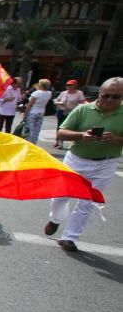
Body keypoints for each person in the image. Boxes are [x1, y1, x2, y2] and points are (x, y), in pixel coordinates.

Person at [45, 77, 123, 251]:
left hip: (105, 163)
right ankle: (55, 219)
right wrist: (81, 136)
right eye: (106, 95)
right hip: (76, 159)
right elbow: (61, 133)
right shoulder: (83, 109)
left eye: (116, 97)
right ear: (99, 94)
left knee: (88, 201)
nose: (109, 100)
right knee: (60, 196)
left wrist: (116, 139)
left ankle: (69, 237)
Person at [53, 79, 86, 149]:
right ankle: (58, 142)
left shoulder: (79, 93)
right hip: (62, 111)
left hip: (72, 112)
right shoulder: (63, 93)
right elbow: (56, 101)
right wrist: (60, 103)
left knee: (71, 128)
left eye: (70, 85)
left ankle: (72, 143)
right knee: (60, 126)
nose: (68, 86)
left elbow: (83, 102)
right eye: (67, 85)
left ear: (75, 85)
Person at [21, 78, 52, 144]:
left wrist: (25, 114)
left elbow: (30, 105)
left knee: (30, 129)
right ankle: (34, 143)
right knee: (36, 129)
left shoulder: (36, 93)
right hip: (41, 112)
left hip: (33, 112)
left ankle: (28, 142)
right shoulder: (49, 93)